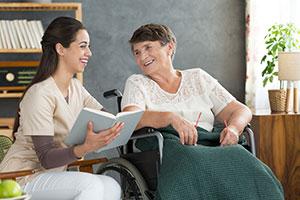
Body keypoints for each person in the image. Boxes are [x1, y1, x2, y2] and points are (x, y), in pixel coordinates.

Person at [121, 23, 284, 199]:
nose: (142, 56)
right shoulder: (137, 83)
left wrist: (234, 128)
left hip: (210, 143)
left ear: (169, 47)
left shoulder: (198, 78)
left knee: (244, 160)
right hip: (172, 148)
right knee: (192, 161)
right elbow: (131, 118)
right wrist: (170, 118)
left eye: (148, 47)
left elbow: (240, 110)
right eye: (137, 52)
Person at [0, 17, 123, 200]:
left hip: (52, 175)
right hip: (23, 177)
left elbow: (106, 119)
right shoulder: (39, 94)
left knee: (111, 185)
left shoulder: (76, 88)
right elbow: (46, 158)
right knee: (91, 185)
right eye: (83, 46)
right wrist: (84, 147)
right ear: (60, 49)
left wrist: (116, 127)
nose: (89, 52)